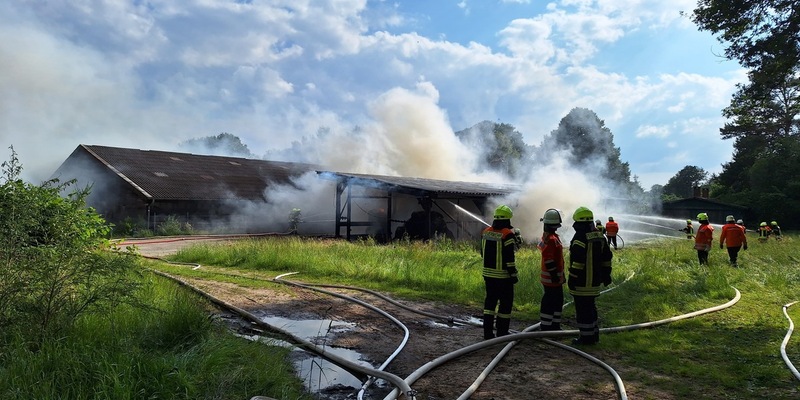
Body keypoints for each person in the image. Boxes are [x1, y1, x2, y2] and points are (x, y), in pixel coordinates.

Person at [568, 206, 613, 345]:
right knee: (591, 308)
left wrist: (572, 278)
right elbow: (607, 258)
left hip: (582, 283)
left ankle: (586, 338)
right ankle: (594, 335)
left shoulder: (579, 237)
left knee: (583, 311)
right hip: (595, 282)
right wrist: (606, 275)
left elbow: (578, 262)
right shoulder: (600, 236)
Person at [481, 205, 519, 340]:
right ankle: (502, 332)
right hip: (503, 277)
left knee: (489, 304)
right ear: (507, 219)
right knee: (505, 304)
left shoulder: (485, 232)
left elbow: (482, 253)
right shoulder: (507, 234)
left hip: (488, 275)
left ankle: (488, 333)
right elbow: (509, 258)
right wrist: (513, 274)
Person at [537, 209, 565, 331]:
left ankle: (554, 325)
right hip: (551, 278)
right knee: (551, 301)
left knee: (557, 300)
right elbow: (548, 259)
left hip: (554, 277)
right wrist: (554, 275)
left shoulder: (549, 237)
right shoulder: (552, 239)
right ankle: (546, 326)